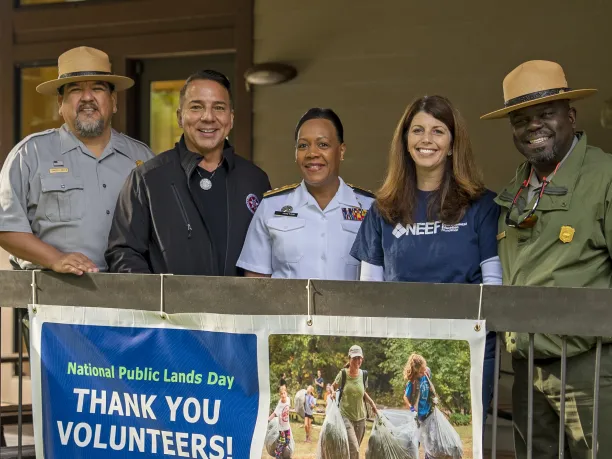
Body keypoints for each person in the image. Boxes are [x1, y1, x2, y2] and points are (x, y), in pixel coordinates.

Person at [481, 60, 612, 458]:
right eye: (521, 119)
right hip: (527, 369)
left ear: (570, 116)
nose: (533, 126)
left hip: (591, 368)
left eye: (545, 114)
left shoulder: (604, 178)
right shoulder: (514, 191)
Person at [349, 95, 501, 430]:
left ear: (452, 144)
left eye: (438, 131)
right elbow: (368, 295)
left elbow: (494, 286)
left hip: (468, 347)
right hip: (404, 341)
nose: (426, 139)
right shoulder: (382, 209)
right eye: (417, 130)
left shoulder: (483, 205)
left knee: (464, 441)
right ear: (404, 142)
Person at [0, 46, 153, 274]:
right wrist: (55, 259)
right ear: (60, 103)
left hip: (129, 300)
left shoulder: (142, 157)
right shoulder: (30, 154)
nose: (87, 98)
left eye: (98, 88)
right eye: (75, 90)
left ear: (113, 100)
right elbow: (6, 227)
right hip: (56, 299)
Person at [106, 69, 270, 274]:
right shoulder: (147, 179)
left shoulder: (255, 180)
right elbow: (124, 253)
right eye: (196, 107)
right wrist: (158, 301)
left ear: (231, 118)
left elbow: (268, 255)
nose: (208, 117)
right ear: (180, 117)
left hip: (241, 306)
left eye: (218, 108)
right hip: (169, 306)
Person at [237, 108, 374, 280]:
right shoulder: (271, 206)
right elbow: (256, 281)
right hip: (287, 308)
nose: (312, 153)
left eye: (323, 144)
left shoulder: (370, 208)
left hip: (351, 308)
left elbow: (382, 281)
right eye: (303, 146)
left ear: (341, 150)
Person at [331, 345, 378, 459]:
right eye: (355, 358)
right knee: (355, 449)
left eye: (359, 358)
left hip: (361, 418)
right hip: (346, 416)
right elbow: (333, 386)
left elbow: (362, 393)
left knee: (352, 449)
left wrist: (372, 404)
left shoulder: (364, 375)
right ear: (349, 358)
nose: (358, 361)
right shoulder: (343, 374)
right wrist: (332, 392)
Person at [268, 387, 292, 459]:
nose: (283, 395)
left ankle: (280, 452)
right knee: (282, 442)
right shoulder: (280, 404)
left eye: (284, 393)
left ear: (286, 393)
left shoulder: (288, 399)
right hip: (281, 428)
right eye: (281, 394)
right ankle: (278, 455)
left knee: (287, 441)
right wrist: (268, 419)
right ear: (280, 395)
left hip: (287, 426)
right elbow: (275, 413)